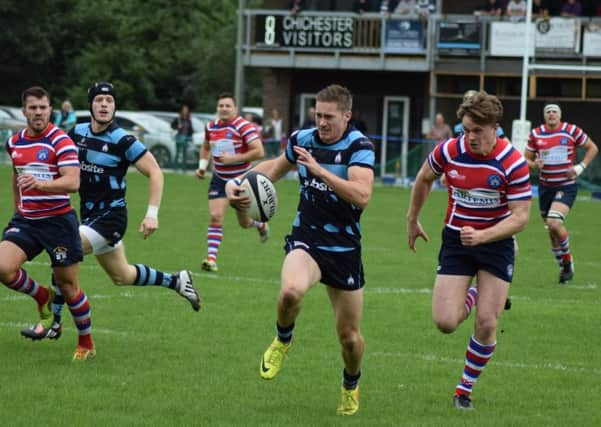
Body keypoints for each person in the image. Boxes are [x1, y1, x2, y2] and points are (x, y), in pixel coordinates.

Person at [227, 84, 375, 416]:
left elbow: (362, 195)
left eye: (329, 117)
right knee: (291, 292)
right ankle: (283, 339)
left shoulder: (359, 147)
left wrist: (320, 170)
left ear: (346, 116)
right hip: (306, 238)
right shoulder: (302, 139)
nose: (321, 122)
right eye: (318, 115)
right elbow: (274, 169)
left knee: (350, 339)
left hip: (344, 248)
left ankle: (350, 385)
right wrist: (240, 182)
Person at [21, 82, 201, 342]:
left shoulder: (123, 140)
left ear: (115, 107)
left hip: (111, 218)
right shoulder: (77, 132)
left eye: (109, 101)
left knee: (63, 250)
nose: (104, 105)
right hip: (87, 217)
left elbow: (155, 172)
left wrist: (152, 213)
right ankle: (176, 281)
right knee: (122, 275)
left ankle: (54, 322)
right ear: (90, 104)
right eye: (99, 100)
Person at [407, 91, 532, 410]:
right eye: (466, 129)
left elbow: (521, 217)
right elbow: (423, 178)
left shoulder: (512, 162)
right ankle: (477, 292)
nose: (470, 137)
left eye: (477, 130)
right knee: (446, 322)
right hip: (456, 242)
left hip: (496, 244)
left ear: (494, 127)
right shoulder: (450, 150)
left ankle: (464, 390)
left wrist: (484, 235)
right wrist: (413, 218)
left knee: (487, 322)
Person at [1, 86, 95, 361]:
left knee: (68, 286)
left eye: (43, 107)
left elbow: (73, 182)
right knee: (3, 267)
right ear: (24, 111)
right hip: (27, 220)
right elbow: (16, 175)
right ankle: (41, 295)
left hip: (58, 222)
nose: (38, 112)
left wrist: (41, 184)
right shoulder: (15, 142)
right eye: (33, 108)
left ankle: (86, 342)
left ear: (50, 109)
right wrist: (18, 205)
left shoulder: (61, 140)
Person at [524, 103, 598, 283]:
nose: (551, 114)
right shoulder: (536, 134)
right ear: (544, 116)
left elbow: (592, 148)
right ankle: (564, 268)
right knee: (551, 231)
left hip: (566, 186)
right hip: (545, 187)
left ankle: (567, 260)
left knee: (554, 222)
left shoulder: (571, 130)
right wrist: (534, 165)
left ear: (559, 115)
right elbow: (525, 158)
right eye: (548, 112)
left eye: (554, 112)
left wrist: (580, 167)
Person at [195, 92, 267, 273]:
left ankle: (260, 224)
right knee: (215, 216)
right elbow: (205, 147)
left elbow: (259, 152)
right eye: (221, 106)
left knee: (243, 223)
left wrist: (234, 158)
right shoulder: (211, 127)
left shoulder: (244, 126)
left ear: (235, 109)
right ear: (217, 108)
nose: (224, 109)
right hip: (219, 180)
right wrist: (202, 166)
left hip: (241, 181)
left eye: (228, 106)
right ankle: (211, 259)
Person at [171, 104, 194, 172]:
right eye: (184, 110)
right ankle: (175, 168)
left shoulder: (188, 119)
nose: (185, 111)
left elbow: (190, 129)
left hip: (186, 138)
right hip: (179, 137)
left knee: (185, 153)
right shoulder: (178, 119)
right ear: (182, 110)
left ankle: (184, 169)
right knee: (178, 153)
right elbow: (172, 125)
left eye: (186, 110)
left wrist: (191, 135)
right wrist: (177, 127)